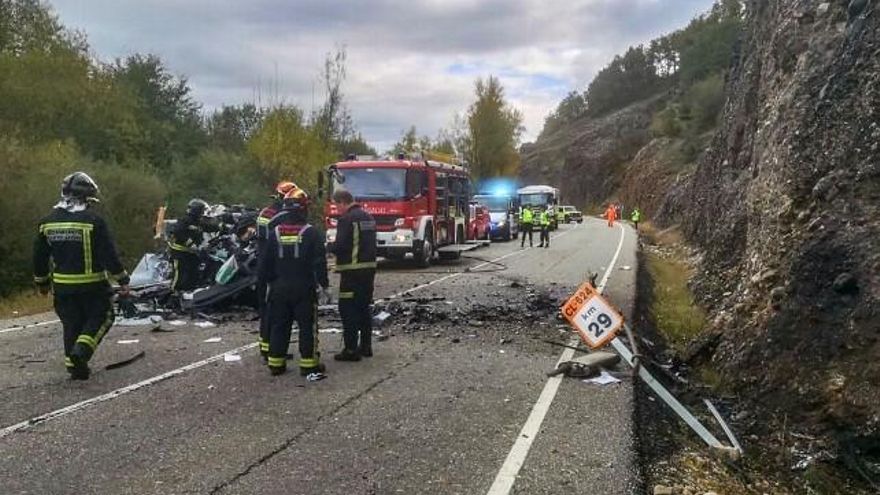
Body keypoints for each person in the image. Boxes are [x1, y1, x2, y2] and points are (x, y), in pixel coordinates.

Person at [33, 172, 130, 380]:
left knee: (72, 323)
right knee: (103, 317)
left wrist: (42, 283)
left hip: (62, 288)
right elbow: (108, 254)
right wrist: (123, 280)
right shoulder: (93, 221)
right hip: (92, 286)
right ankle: (81, 352)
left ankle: (75, 367)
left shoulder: (47, 222)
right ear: (87, 197)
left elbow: (39, 257)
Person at [257, 186, 330, 378]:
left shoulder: (275, 233)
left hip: (278, 288)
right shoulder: (312, 233)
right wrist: (324, 286)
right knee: (307, 327)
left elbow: (265, 263)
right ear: (304, 209)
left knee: (279, 325)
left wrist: (264, 285)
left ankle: (276, 364)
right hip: (304, 288)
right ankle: (308, 365)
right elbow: (320, 263)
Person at [330, 189, 378, 361]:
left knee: (347, 309)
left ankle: (350, 350)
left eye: (336, 206)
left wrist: (327, 247)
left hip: (351, 272)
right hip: (368, 270)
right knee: (363, 308)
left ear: (343, 202)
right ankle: (366, 346)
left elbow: (341, 245)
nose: (337, 209)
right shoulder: (369, 218)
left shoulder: (346, 220)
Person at [255, 181, 297, 360]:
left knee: (266, 309)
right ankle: (271, 349)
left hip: (264, 267)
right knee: (275, 313)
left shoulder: (265, 213)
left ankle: (266, 347)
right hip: (277, 270)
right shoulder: (282, 217)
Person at [167, 198, 221, 293]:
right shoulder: (185, 220)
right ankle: (172, 295)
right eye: (202, 210)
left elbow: (209, 227)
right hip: (180, 253)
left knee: (193, 275)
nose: (203, 213)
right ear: (197, 210)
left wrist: (220, 225)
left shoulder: (198, 221)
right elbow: (178, 232)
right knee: (180, 275)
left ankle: (188, 294)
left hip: (192, 254)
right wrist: (191, 243)